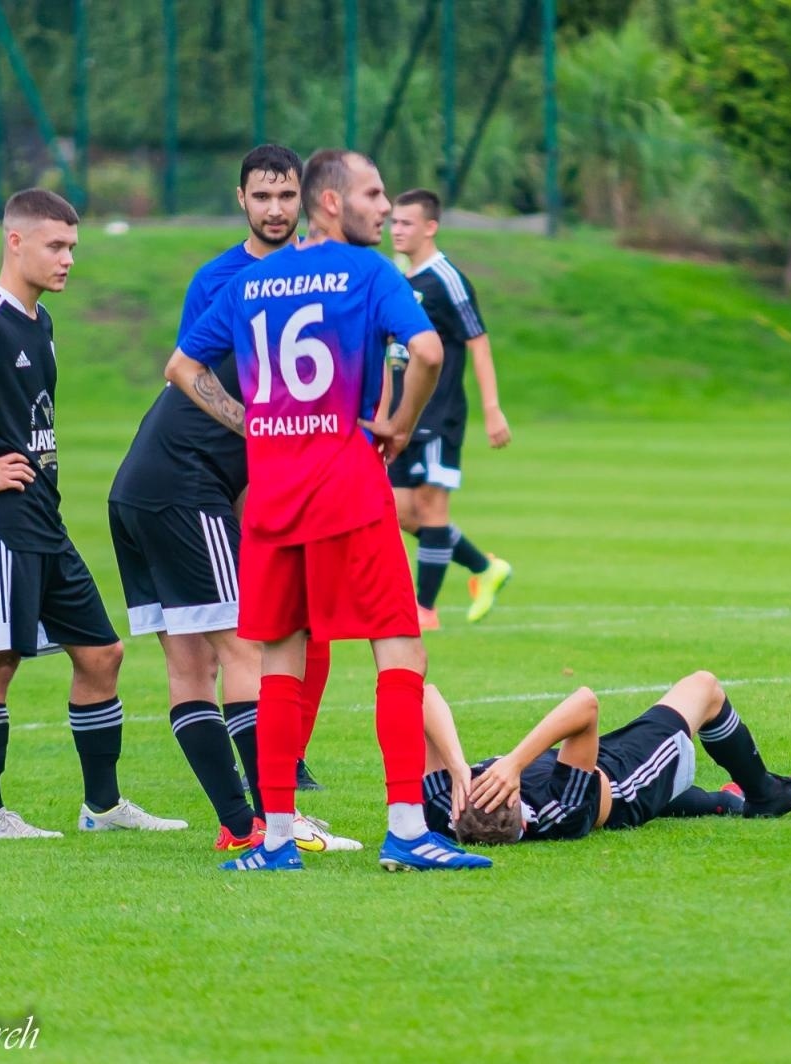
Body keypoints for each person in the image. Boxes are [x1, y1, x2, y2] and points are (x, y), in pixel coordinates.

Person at [166, 149, 489, 873]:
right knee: (400, 647)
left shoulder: (252, 281)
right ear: (333, 203)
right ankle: (406, 828)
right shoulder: (370, 273)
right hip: (347, 487)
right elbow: (430, 352)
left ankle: (275, 839)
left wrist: (253, 423)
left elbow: (181, 367)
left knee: (280, 660)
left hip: (272, 496)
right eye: (374, 194)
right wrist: (401, 423)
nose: (385, 208)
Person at [0, 189, 186, 839]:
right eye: (56, 246)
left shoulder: (40, 322)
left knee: (102, 654)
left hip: (42, 523)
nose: (67, 260)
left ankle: (104, 808)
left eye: (72, 249)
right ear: (15, 242)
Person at [109, 145, 351, 853]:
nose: (275, 209)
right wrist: (263, 429)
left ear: (303, 200)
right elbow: (188, 375)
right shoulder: (232, 283)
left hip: (142, 484)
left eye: (287, 197)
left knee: (192, 665)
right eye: (262, 197)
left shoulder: (306, 281)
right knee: (250, 650)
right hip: (185, 484)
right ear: (241, 198)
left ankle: (239, 825)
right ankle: (277, 823)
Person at [415, 671, 791, 845]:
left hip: (581, 761)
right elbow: (585, 706)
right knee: (704, 688)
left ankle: (724, 802)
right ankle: (765, 796)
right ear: (523, 818)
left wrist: (455, 766)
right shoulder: (561, 811)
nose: (488, 777)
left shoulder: (442, 809)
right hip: (630, 780)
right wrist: (515, 763)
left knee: (697, 803)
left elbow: (423, 694)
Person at [385, 188, 513, 631]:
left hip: (439, 414)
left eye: (405, 223)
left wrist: (492, 409)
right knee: (400, 511)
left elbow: (478, 344)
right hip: (404, 414)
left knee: (433, 507)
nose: (395, 229)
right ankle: (484, 567)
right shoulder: (399, 277)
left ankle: (425, 610)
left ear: (430, 227)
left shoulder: (448, 278)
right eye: (393, 222)